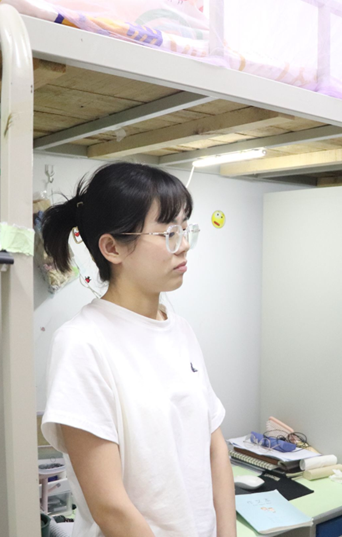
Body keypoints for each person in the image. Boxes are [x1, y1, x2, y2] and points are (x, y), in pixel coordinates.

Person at [40, 163, 236, 537]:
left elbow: (215, 448)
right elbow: (110, 507)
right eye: (168, 233)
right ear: (112, 248)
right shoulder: (83, 342)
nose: (184, 244)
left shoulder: (180, 329)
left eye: (185, 228)